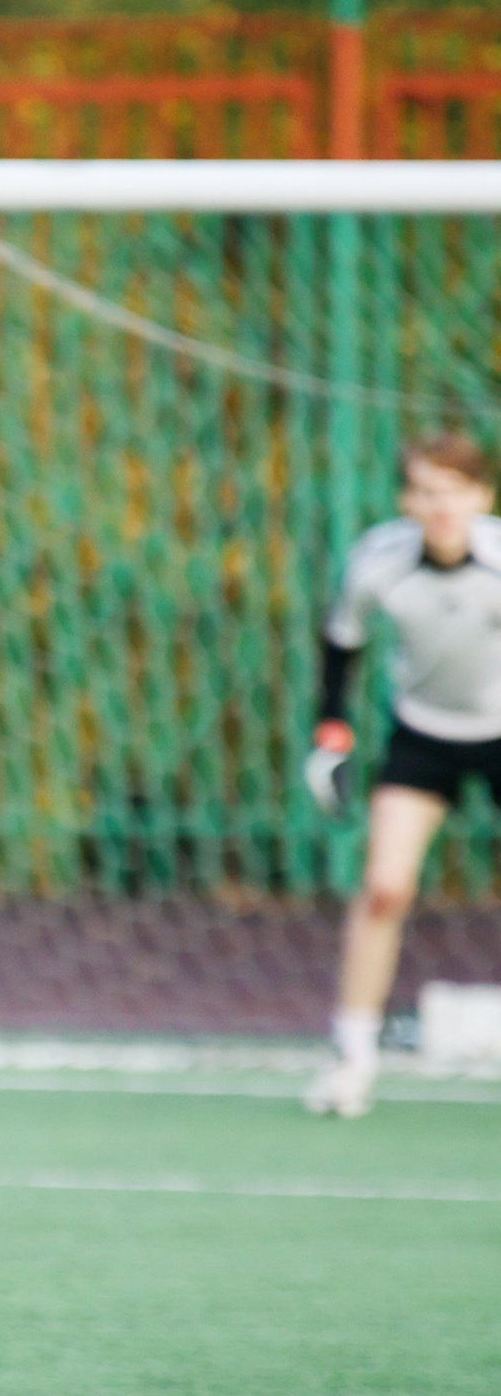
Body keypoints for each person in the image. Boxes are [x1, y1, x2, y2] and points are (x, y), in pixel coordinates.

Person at [304, 430, 501, 1119]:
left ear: (481, 495)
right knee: (384, 890)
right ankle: (351, 1060)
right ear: (406, 498)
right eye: (425, 491)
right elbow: (342, 643)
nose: (440, 505)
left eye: (454, 491)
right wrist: (330, 736)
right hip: (421, 733)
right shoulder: (378, 562)